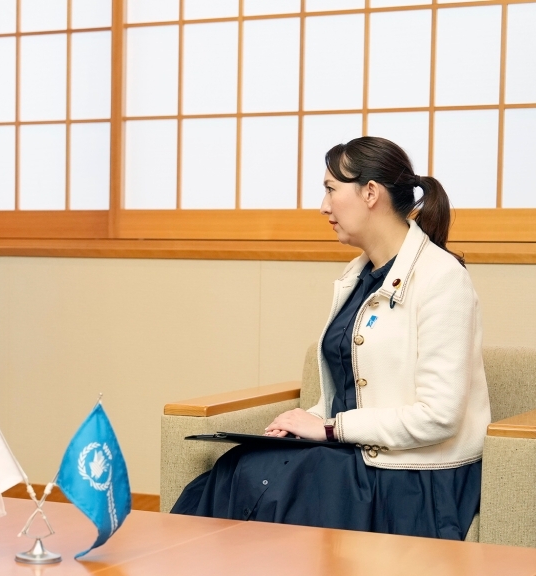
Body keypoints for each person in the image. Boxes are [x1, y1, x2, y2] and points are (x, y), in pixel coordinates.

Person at [172, 137, 490, 540]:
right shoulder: (358, 276)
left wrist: (327, 429)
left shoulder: (441, 279)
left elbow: (439, 416)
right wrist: (300, 423)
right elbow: (346, 392)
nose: (323, 206)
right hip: (358, 453)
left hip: (416, 472)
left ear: (370, 193)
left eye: (330, 190)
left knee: (275, 484)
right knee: (238, 467)